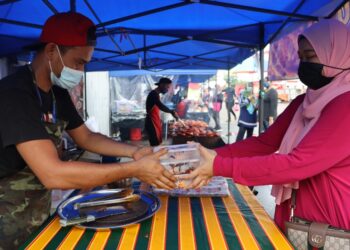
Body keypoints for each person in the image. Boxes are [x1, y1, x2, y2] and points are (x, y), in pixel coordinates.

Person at [0, 13, 176, 248]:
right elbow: (53, 173)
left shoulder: (56, 93)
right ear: (52, 51)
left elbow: (86, 137)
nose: (80, 71)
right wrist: (134, 169)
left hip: (34, 211)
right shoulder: (15, 94)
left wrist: (134, 153)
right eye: (78, 62)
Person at [184, 19, 350, 232]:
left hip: (333, 225)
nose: (304, 65)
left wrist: (218, 166)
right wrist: (210, 155)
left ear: (338, 54)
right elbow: (264, 143)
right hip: (300, 221)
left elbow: (298, 164)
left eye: (310, 56)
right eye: (301, 58)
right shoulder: (303, 102)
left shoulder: (345, 105)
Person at [145, 77, 179, 146]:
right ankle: (154, 156)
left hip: (155, 120)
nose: (167, 89)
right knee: (155, 144)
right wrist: (171, 112)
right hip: (152, 122)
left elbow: (160, 106)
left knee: (157, 142)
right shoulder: (153, 94)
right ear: (162, 85)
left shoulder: (156, 94)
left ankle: (155, 155)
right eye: (167, 87)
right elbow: (160, 106)